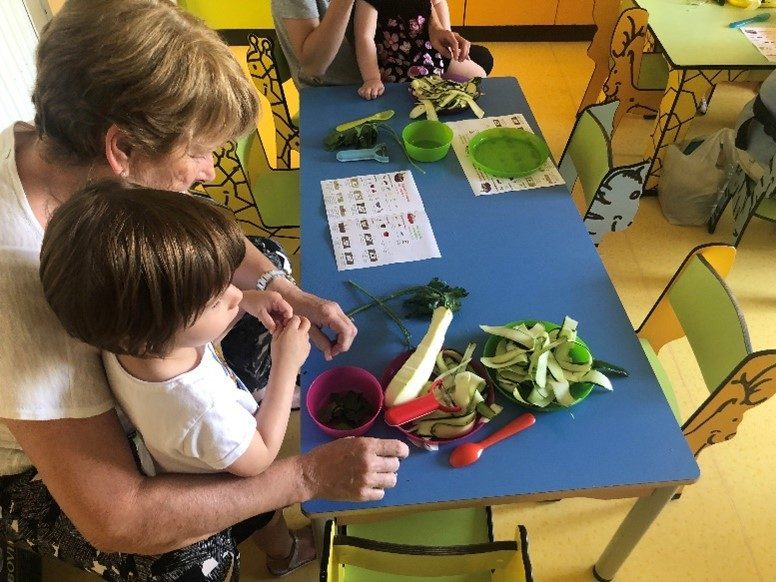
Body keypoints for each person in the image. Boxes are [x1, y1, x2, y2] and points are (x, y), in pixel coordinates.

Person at [0, 1, 409, 580]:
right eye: (196, 151)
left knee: (262, 261)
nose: (209, 170)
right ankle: (257, 527)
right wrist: (303, 477)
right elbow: (115, 517)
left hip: (141, 364)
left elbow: (188, 225)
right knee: (191, 554)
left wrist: (285, 290)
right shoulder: (15, 285)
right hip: (36, 461)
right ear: (122, 149)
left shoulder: (71, 157)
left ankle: (252, 491)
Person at [39, 183, 317, 576]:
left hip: (195, 450)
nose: (235, 294)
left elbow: (192, 335)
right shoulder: (203, 412)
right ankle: (286, 555)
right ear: (152, 329)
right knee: (261, 516)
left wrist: (245, 303)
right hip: (220, 479)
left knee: (260, 517)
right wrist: (285, 364)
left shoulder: (132, 343)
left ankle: (281, 550)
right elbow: (261, 457)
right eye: (216, 298)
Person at [271, 0, 493, 88]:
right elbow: (313, 68)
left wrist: (437, 29)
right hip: (342, 85)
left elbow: (432, 2)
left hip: (391, 54)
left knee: (481, 59)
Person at [353, 0, 486, 100]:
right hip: (396, 66)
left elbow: (439, 2)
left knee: (480, 78)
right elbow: (364, 37)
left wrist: (446, 33)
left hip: (432, 56)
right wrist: (371, 79)